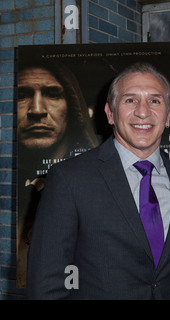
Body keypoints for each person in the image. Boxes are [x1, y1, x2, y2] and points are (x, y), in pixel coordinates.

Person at [26, 62, 170, 299]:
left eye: (155, 100)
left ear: (168, 115)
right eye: (130, 100)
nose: (143, 112)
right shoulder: (69, 178)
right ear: (110, 113)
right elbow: (46, 283)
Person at [16, 60, 99, 287]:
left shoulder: (96, 180)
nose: (37, 110)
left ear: (72, 106)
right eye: (22, 95)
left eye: (52, 94)